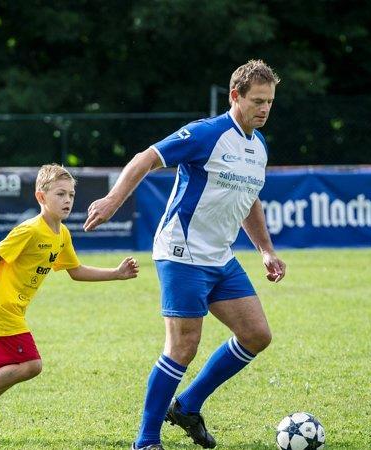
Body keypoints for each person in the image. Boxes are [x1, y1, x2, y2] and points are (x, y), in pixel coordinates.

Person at [84, 60, 287, 450]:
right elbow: (147, 157)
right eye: (257, 101)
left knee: (256, 335)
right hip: (181, 251)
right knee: (183, 345)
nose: (264, 109)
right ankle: (146, 440)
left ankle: (188, 405)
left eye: (270, 102)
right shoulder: (207, 133)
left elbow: (250, 201)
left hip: (219, 256)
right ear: (235, 96)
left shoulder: (258, 145)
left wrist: (265, 250)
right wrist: (112, 200)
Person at [0, 164, 140, 443]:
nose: (67, 200)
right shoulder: (31, 230)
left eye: (70, 194)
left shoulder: (62, 234)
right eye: (60, 194)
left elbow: (76, 271)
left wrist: (116, 275)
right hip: (1, 308)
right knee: (31, 365)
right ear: (41, 197)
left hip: (14, 309)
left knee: (8, 374)